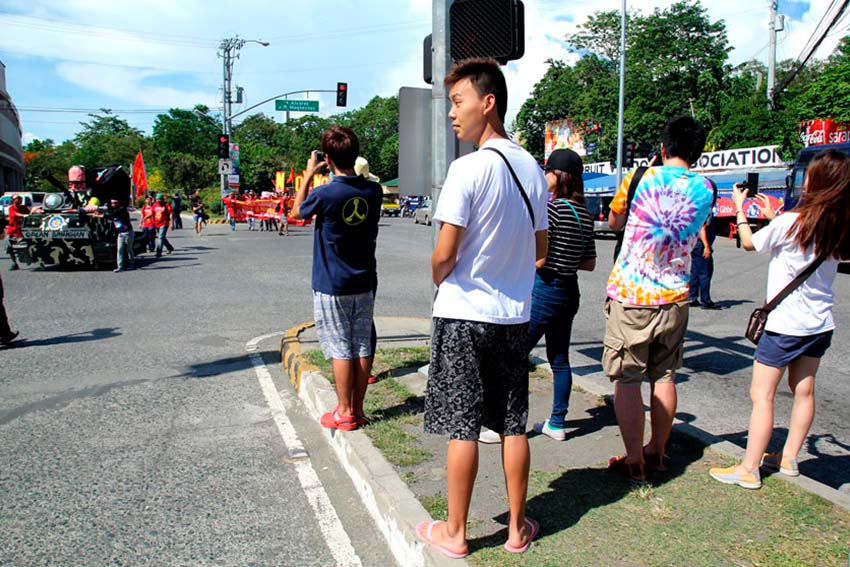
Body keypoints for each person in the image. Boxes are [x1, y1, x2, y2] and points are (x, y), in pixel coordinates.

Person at [420, 58, 548, 559]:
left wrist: (439, 275)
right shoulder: (534, 169)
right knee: (513, 422)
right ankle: (517, 529)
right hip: (514, 316)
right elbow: (541, 247)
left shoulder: (467, 168)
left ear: (487, 102)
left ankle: (456, 533)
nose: (453, 113)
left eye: (458, 101)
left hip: (463, 312)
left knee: (463, 425)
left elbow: (445, 253)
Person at [709, 150, 850, 490]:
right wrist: (775, 217)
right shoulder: (838, 225)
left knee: (762, 396)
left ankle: (749, 468)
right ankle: (789, 458)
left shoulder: (791, 224)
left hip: (785, 326)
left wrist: (741, 208)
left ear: (815, 182)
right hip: (820, 325)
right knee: (804, 392)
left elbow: (747, 243)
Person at [603, 115, 713, 483]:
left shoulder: (639, 178)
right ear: (697, 153)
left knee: (628, 379)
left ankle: (634, 462)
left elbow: (615, 223)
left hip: (633, 296)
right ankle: (658, 452)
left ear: (663, 148)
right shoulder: (707, 188)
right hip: (677, 296)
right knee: (665, 376)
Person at [290, 125, 382, 433]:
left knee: (342, 347)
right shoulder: (373, 191)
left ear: (327, 159)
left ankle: (343, 412)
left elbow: (296, 212)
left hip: (333, 284)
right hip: (364, 280)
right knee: (362, 343)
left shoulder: (325, 193)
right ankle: (357, 409)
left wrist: (307, 173)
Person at [529, 148, 597, 441]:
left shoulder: (552, 210)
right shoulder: (585, 213)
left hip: (544, 289)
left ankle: (504, 424)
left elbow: (540, 260)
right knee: (560, 360)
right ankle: (557, 423)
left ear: (558, 175)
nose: (544, 176)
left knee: (513, 355)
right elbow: (590, 263)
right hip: (570, 292)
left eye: (547, 171)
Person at [689, 179, 721, 309]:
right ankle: (706, 300)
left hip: (694, 243)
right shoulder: (706, 209)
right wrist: (707, 246)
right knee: (705, 272)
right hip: (701, 244)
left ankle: (692, 297)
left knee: (695, 271)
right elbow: (702, 228)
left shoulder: (695, 207)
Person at [5, 195, 29, 270]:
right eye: (17, 199)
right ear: (13, 200)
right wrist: (24, 215)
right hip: (12, 231)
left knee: (25, 246)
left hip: (21, 231)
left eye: (20, 199)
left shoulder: (23, 207)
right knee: (9, 248)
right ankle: (14, 263)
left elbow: (30, 212)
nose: (19, 200)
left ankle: (29, 259)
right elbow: (15, 214)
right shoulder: (11, 208)